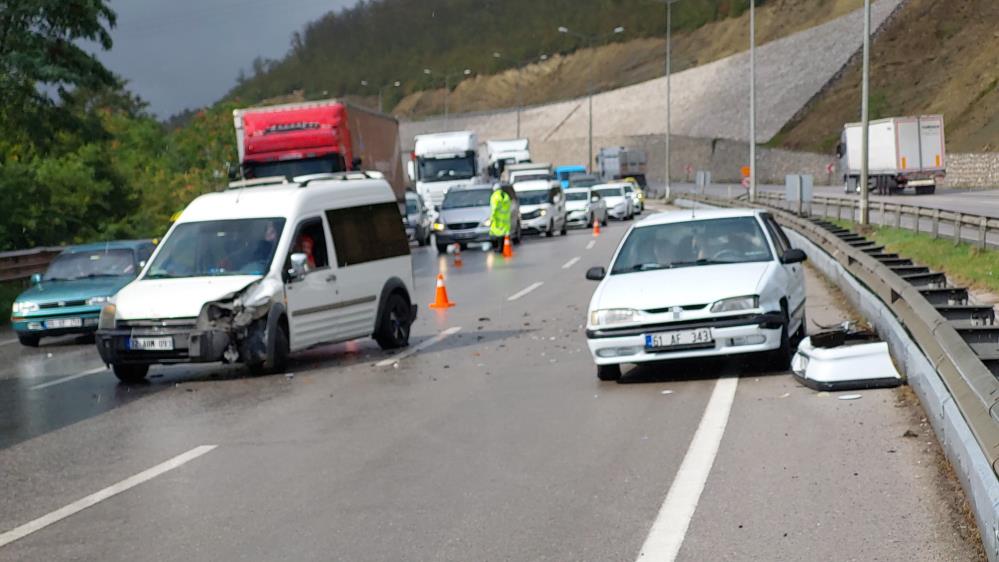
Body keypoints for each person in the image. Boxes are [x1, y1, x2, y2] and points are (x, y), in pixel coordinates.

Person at [489, 183, 512, 251]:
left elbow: (494, 208)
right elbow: (508, 206)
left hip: (497, 219)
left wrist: (492, 218)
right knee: (504, 234)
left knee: (497, 234)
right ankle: (504, 247)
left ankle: (500, 248)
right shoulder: (505, 195)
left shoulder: (494, 196)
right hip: (505, 219)